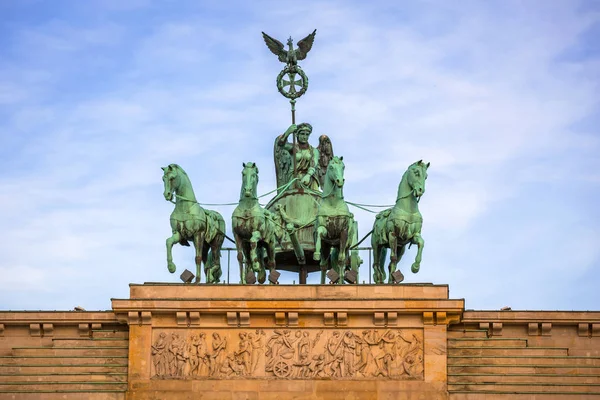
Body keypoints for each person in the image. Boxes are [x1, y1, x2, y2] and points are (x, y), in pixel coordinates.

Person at [275, 123, 321, 191]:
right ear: (297, 134)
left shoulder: (314, 151)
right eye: (302, 134)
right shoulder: (293, 148)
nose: (305, 137)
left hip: (310, 179)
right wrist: (288, 132)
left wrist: (308, 175)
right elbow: (280, 144)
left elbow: (313, 164)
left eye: (307, 134)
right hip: (294, 179)